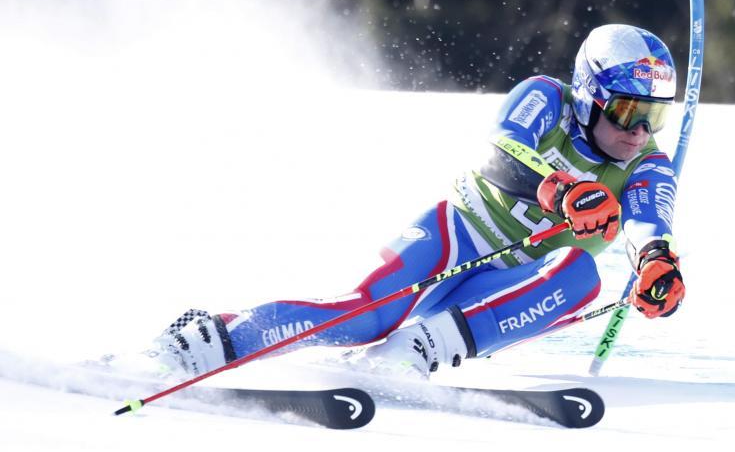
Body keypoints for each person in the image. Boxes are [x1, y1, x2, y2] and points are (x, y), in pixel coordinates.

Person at [144, 24, 686, 379]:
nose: (639, 130)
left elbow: (647, 222)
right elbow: (498, 150)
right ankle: (214, 339)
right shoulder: (546, 96)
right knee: (363, 317)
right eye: (626, 111)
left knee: (581, 274)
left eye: (654, 116)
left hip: (510, 280)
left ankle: (408, 358)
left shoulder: (648, 164)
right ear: (589, 95)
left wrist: (655, 264)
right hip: (455, 237)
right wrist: (559, 188)